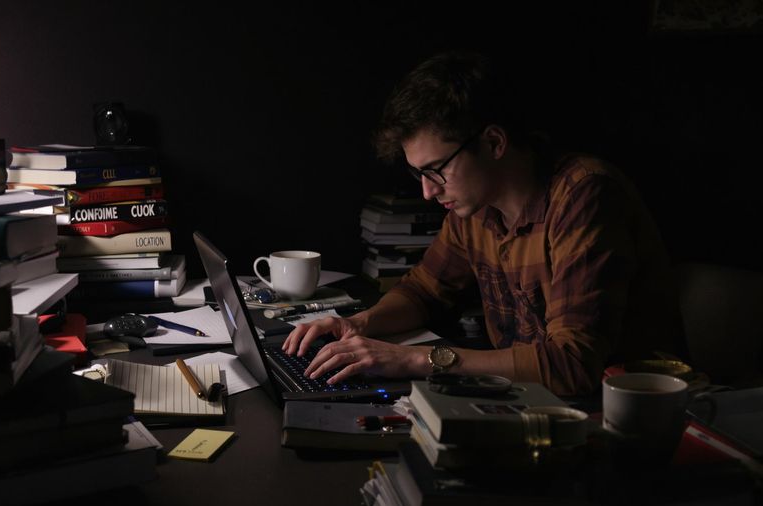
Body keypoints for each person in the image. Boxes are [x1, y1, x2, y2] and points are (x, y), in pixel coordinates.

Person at [282, 51, 685, 396]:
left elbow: (572, 366)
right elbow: (424, 292)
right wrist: (356, 324)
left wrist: (414, 359)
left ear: (494, 143)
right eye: (418, 174)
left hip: (615, 418)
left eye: (436, 170)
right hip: (524, 401)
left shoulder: (585, 196)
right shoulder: (474, 209)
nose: (427, 191)